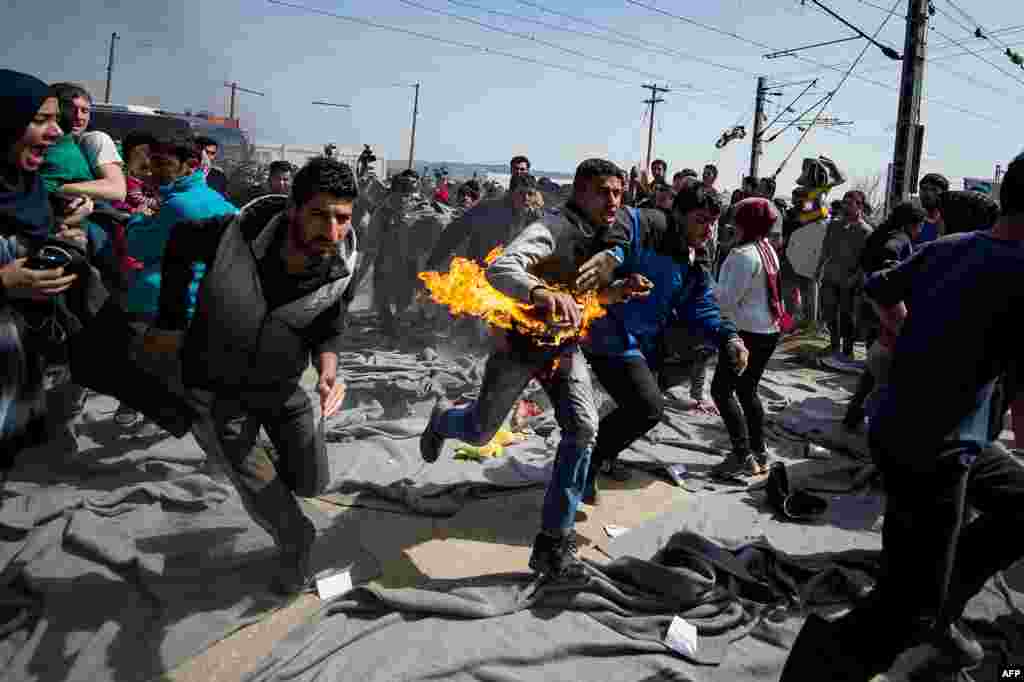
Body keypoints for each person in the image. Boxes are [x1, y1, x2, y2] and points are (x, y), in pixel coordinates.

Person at [836, 152, 1024, 678]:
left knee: (1017, 503)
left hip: (914, 433)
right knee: (899, 611)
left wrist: (898, 329)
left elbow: (878, 286)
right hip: (930, 451)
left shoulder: (949, 247)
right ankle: (837, 658)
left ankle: (939, 603)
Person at [142, 157, 360, 594]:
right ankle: (295, 541)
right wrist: (169, 321)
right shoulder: (231, 235)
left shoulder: (342, 266)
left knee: (313, 481)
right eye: (319, 215)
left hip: (283, 391)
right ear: (293, 208)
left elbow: (328, 329)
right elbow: (181, 242)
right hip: (219, 392)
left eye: (342, 218)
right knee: (266, 492)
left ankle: (269, 469)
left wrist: (328, 375)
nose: (332, 232)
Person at [419, 158, 636, 579]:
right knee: (481, 431)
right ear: (581, 192)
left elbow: (582, 297)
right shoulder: (553, 228)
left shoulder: (602, 235)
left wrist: (616, 291)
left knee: (584, 428)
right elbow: (501, 269)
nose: (614, 201)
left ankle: (553, 542)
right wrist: (538, 292)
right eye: (604, 192)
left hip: (563, 348)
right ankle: (443, 420)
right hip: (519, 345)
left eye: (618, 193)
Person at [1, 70, 197, 464]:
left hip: (23, 363)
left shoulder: (29, 189)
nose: (58, 133)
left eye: (57, 120)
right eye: (40, 120)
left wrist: (63, 237)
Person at [583, 179, 746, 501]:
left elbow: (702, 305)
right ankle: (585, 464)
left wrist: (731, 336)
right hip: (609, 334)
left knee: (637, 405)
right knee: (646, 408)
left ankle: (598, 456)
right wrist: (613, 254)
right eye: (701, 220)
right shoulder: (651, 224)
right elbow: (625, 220)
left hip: (648, 342)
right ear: (679, 214)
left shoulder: (696, 257)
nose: (708, 230)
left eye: (713, 222)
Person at [113, 136, 238, 429]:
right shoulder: (223, 204)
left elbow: (137, 247)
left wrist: (138, 219)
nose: (153, 171)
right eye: (152, 163)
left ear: (191, 166)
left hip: (164, 304)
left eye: (163, 165)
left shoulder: (178, 206)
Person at [710, 198, 786, 479]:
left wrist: (707, 282)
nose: (732, 228)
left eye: (737, 222)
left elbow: (727, 302)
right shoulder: (767, 249)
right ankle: (760, 450)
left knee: (721, 390)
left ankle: (742, 455)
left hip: (745, 334)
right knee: (747, 390)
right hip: (768, 330)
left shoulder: (741, 256)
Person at [841, 201, 925, 431]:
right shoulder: (899, 238)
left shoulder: (879, 233)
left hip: (871, 300)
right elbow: (890, 253)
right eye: (919, 226)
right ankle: (875, 423)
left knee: (872, 367)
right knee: (884, 374)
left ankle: (853, 415)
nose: (920, 232)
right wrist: (895, 273)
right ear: (911, 224)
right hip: (886, 307)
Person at [815, 190, 872, 358]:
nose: (845, 206)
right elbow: (825, 249)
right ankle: (833, 345)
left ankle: (848, 350)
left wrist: (855, 278)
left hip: (850, 280)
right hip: (831, 276)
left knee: (848, 316)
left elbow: (866, 261)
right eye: (844, 202)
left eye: (850, 203)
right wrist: (818, 268)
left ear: (859, 206)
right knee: (829, 312)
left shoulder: (866, 231)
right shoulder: (834, 225)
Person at [916, 172, 1000, 246]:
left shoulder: (957, 223)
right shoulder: (914, 222)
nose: (928, 194)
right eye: (924, 189)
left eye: (934, 190)